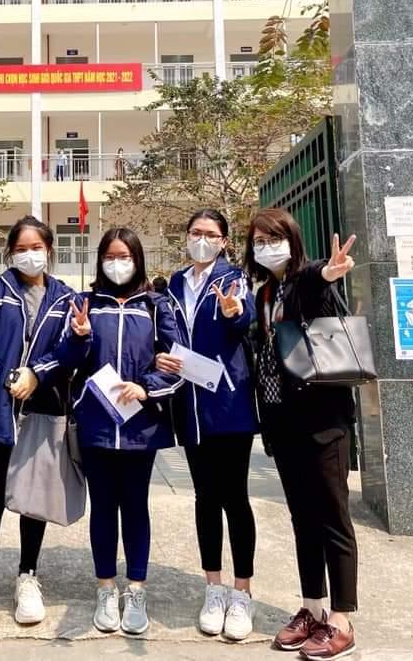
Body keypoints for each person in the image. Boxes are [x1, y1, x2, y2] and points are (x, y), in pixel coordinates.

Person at [17, 227, 182, 637]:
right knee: (104, 507)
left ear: (137, 259)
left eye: (124, 256)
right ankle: (106, 588)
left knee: (136, 506)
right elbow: (67, 360)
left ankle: (137, 589)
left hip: (140, 425)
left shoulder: (156, 305)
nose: (117, 263)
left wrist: (146, 386)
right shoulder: (85, 303)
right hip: (95, 423)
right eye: (110, 256)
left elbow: (176, 365)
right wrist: (80, 336)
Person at [0, 216, 76, 648]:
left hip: (42, 408)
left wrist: (38, 374)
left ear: (49, 250)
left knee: (32, 498)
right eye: (21, 247)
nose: (29, 254)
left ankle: (27, 576)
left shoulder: (64, 296)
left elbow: (69, 349)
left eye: (36, 246)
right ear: (11, 253)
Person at [245, 208, 359, 660]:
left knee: (333, 518)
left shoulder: (307, 278)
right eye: (257, 240)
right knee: (303, 520)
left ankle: (342, 619)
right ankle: (312, 607)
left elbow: (317, 285)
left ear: (291, 239)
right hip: (284, 424)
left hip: (323, 423)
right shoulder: (263, 293)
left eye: (273, 237)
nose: (265, 246)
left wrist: (329, 272)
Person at [155, 209, 258, 640]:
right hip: (191, 407)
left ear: (224, 241)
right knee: (205, 497)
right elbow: (164, 337)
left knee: (235, 497)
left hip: (229, 404)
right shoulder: (173, 285)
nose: (202, 240)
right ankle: (212, 587)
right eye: (195, 233)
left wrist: (234, 312)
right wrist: (160, 358)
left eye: (210, 234)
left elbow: (245, 319)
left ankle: (242, 592)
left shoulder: (235, 280)